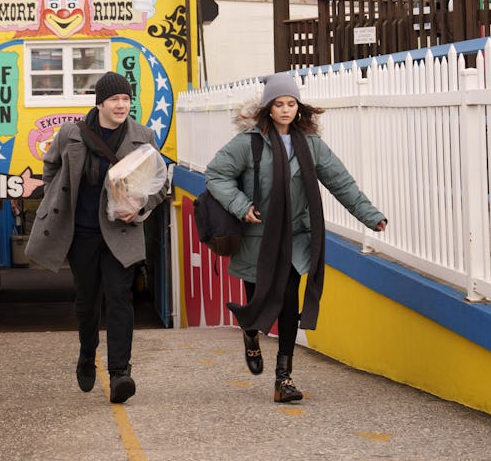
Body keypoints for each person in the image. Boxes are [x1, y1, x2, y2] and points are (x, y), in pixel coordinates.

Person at [204, 72, 387, 403]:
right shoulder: (248, 143)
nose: (286, 110)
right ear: (268, 108)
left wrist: (370, 215)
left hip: (294, 238)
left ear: (298, 107)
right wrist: (241, 206)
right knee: (257, 303)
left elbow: (341, 182)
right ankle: (250, 334)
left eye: (291, 103)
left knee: (289, 302)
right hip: (257, 238)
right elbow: (216, 175)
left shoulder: (311, 145)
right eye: (279, 104)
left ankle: (283, 378)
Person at [26, 71, 170, 404]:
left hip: (122, 231)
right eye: (114, 99)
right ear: (100, 103)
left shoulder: (143, 136)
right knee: (87, 299)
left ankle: (120, 373)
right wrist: (57, 196)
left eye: (126, 99)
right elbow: (50, 167)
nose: (121, 105)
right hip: (82, 232)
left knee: (120, 298)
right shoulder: (71, 134)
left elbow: (160, 182)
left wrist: (140, 206)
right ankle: (87, 354)